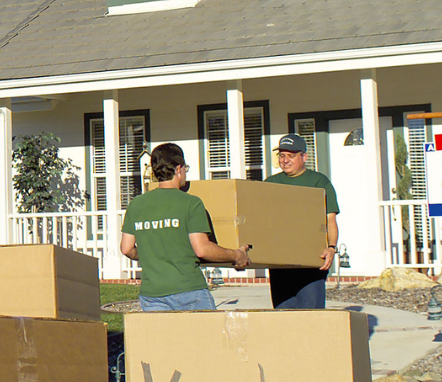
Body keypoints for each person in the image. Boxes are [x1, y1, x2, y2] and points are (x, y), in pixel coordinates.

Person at [119, 142, 249, 311]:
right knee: (204, 337)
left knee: (164, 338)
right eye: (186, 168)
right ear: (178, 169)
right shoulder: (191, 203)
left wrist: (153, 256)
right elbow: (202, 249)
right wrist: (236, 255)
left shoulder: (136, 204)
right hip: (189, 290)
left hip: (152, 294)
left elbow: (126, 248)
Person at [264, 133, 340, 309]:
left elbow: (330, 219)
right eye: (282, 156)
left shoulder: (318, 181)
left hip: (311, 260)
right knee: (284, 314)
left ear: (304, 157)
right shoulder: (271, 183)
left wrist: (332, 247)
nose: (285, 160)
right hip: (280, 261)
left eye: (291, 156)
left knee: (311, 314)